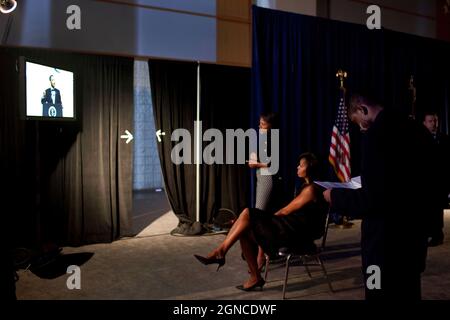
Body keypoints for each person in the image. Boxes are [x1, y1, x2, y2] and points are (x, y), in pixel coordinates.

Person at [323, 93, 432, 300]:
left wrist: (335, 197)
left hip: (383, 247)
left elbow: (371, 200)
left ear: (363, 109)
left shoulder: (376, 136)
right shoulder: (418, 129)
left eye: (358, 122)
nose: (361, 128)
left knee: (376, 292)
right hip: (413, 242)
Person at [194, 153, 328, 291]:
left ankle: (220, 252)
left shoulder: (311, 190)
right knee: (244, 229)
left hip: (297, 233)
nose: (297, 167)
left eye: (301, 165)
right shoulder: (306, 187)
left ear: (310, 168)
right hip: (292, 227)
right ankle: (254, 277)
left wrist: (265, 219)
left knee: (248, 213)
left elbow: (285, 211)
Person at [247, 112, 279, 271]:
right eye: (259, 124)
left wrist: (256, 164)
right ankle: (264, 252)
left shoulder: (274, 139)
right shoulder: (261, 138)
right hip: (260, 177)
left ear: (271, 125)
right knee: (262, 216)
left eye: (263, 125)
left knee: (259, 216)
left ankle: (260, 256)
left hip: (267, 178)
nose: (260, 127)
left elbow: (273, 165)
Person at [422, 111, 450, 246]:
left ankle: (437, 235)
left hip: (438, 180)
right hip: (424, 180)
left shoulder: (444, 138)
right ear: (424, 123)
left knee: (436, 209)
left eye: (435, 121)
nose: (433, 124)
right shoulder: (419, 138)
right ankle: (428, 232)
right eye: (430, 121)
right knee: (426, 209)